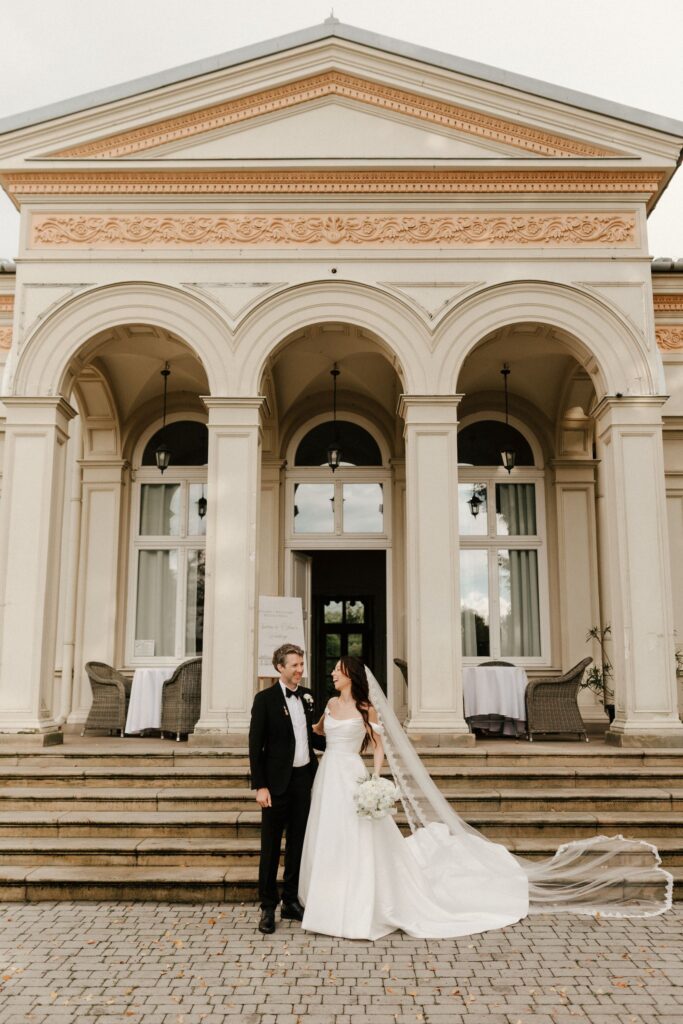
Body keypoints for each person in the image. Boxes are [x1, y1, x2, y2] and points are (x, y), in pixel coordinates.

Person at [298, 656, 672, 941]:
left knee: (358, 835)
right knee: (329, 832)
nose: (332, 674)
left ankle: (359, 899)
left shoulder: (367, 709)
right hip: (329, 773)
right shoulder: (329, 704)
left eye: (337, 670)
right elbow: (319, 731)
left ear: (350, 675)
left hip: (354, 775)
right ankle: (327, 895)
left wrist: (376, 778)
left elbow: (379, 745)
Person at [248, 643, 325, 935]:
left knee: (298, 842)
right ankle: (268, 906)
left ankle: (290, 901)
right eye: (294, 665)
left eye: (301, 664)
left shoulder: (307, 697)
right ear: (280, 667)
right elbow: (255, 746)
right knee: (270, 847)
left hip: (304, 779)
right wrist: (260, 786)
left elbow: (311, 738)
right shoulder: (264, 700)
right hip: (275, 783)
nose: (300, 670)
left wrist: (344, 740)